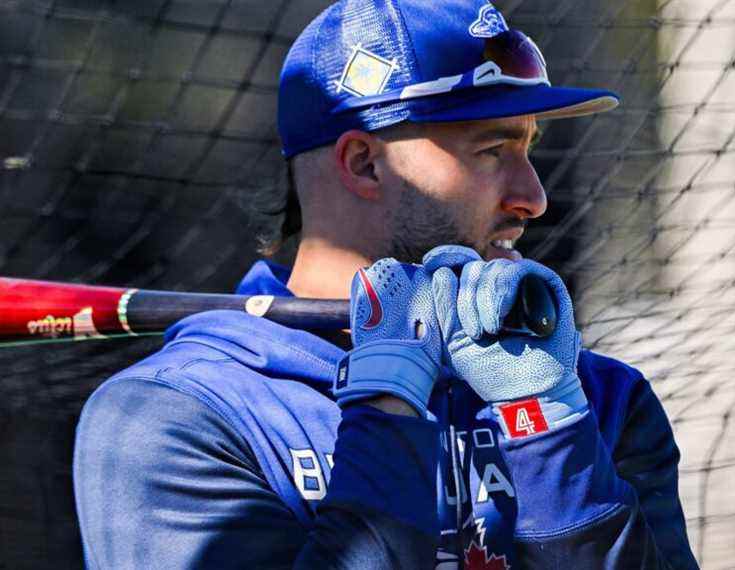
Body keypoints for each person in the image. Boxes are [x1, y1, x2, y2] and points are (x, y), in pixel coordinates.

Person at [73, 0, 699, 568]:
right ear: (364, 164)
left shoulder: (597, 397)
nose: (533, 197)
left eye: (528, 148)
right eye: (491, 150)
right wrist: (389, 403)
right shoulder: (175, 414)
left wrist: (551, 431)